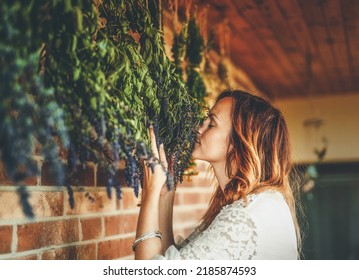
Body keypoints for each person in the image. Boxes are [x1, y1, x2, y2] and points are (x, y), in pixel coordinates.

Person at [133, 89, 302, 260]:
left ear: (239, 142)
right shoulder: (258, 202)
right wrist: (165, 195)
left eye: (211, 124)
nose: (198, 129)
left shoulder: (245, 217)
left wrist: (150, 191)